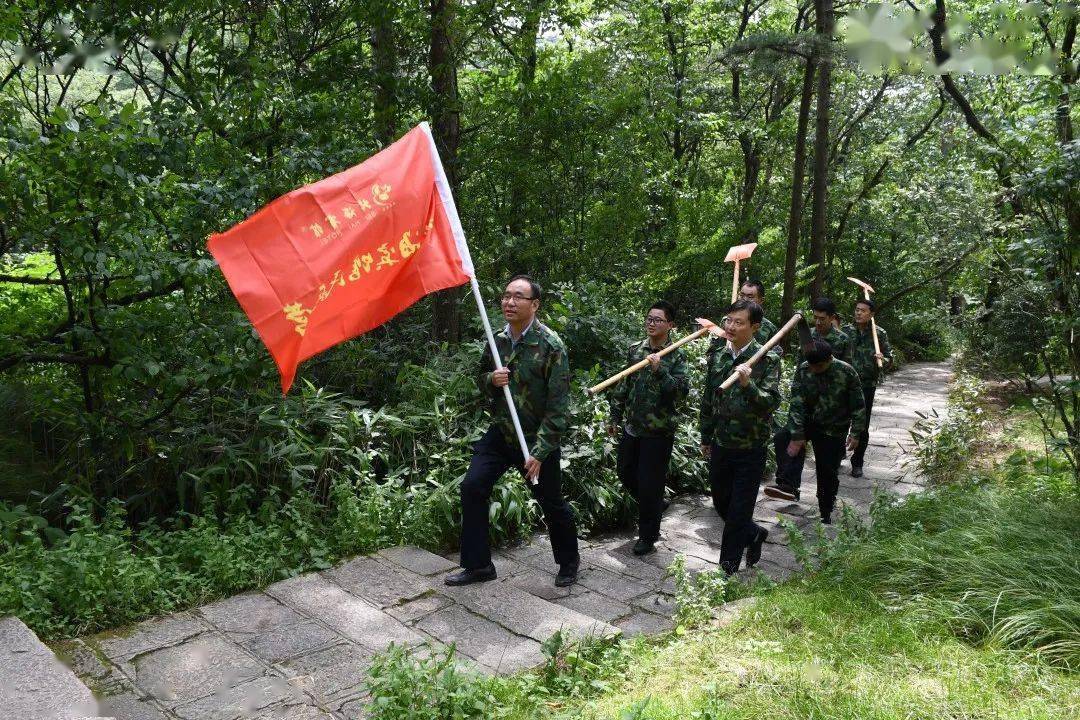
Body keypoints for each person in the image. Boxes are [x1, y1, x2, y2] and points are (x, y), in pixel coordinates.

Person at [445, 275, 580, 587]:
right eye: (506, 295)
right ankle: (479, 566)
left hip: (535, 439)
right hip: (502, 432)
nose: (509, 302)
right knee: (472, 487)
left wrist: (540, 451)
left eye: (518, 297)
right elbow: (479, 378)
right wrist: (491, 379)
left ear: (534, 304)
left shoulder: (551, 346)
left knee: (551, 500)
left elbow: (559, 408)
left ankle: (569, 562)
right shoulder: (497, 341)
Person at [699, 299, 782, 574]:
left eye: (739, 322)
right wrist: (706, 436)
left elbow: (769, 403)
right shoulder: (719, 354)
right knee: (721, 503)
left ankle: (726, 570)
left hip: (750, 446)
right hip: (722, 442)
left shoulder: (767, 358)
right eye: (728, 320)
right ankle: (754, 534)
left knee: (738, 511)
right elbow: (709, 398)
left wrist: (748, 384)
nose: (730, 326)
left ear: (754, 327)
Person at [608, 301, 689, 556]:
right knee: (624, 472)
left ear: (670, 325)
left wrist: (660, 371)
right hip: (633, 426)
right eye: (649, 319)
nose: (651, 323)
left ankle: (647, 536)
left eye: (658, 320)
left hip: (659, 431)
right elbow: (623, 384)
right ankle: (656, 505)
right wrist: (615, 416)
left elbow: (680, 393)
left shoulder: (676, 355)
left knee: (650, 483)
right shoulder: (636, 350)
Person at [767, 297, 851, 500]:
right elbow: (799, 371)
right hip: (806, 402)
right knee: (785, 436)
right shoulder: (808, 336)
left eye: (822, 318)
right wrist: (796, 399)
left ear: (832, 318)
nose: (818, 322)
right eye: (815, 318)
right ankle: (788, 485)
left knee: (827, 463)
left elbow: (847, 374)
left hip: (830, 409)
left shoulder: (842, 340)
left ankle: (826, 503)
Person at [781, 339, 866, 524]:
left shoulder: (846, 371)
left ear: (829, 359)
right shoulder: (804, 369)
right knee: (782, 436)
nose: (814, 370)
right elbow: (796, 403)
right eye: (811, 365)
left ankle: (826, 509)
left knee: (827, 470)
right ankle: (788, 483)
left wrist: (856, 432)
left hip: (833, 428)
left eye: (818, 366)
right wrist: (797, 434)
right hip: (809, 422)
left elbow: (858, 406)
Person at [842, 298, 893, 477]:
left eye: (863, 311)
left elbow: (889, 358)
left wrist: (882, 358)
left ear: (871, 315)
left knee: (862, 424)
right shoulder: (846, 331)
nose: (858, 313)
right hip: (844, 383)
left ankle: (857, 462)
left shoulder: (879, 334)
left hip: (866, 384)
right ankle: (838, 452)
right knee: (841, 419)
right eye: (857, 310)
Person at [738, 280, 780, 350]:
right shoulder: (727, 322)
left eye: (750, 297)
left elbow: (774, 356)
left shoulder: (769, 328)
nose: (744, 300)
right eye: (741, 295)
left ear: (761, 300)